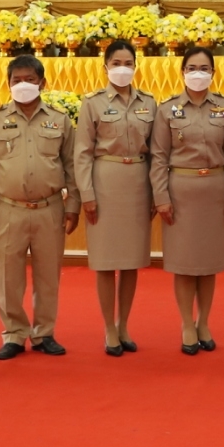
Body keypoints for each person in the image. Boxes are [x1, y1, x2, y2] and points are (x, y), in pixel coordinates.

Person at [0, 55, 78, 361]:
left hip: (50, 209)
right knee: (8, 278)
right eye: (16, 80)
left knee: (48, 277)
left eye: (29, 80)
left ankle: (44, 333)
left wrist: (73, 205)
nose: (23, 85)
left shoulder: (60, 120)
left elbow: (72, 166)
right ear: (7, 84)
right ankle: (14, 334)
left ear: (42, 83)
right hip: (9, 209)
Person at [151, 46, 224, 354]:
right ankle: (186, 324)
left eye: (204, 68)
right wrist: (161, 197)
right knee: (184, 263)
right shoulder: (167, 109)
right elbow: (158, 158)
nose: (198, 74)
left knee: (208, 263)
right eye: (192, 68)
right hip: (181, 191)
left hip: (215, 191)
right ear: (182, 72)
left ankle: (203, 321)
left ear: (213, 73)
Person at [75, 42, 161, 356]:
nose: (122, 68)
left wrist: (156, 192)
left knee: (130, 261)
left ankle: (123, 324)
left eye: (128, 63)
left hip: (138, 182)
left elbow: (157, 152)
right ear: (105, 67)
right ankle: (108, 328)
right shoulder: (92, 103)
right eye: (116, 63)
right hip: (105, 182)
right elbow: (82, 152)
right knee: (105, 261)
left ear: (136, 66)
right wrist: (87, 194)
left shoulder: (149, 103)